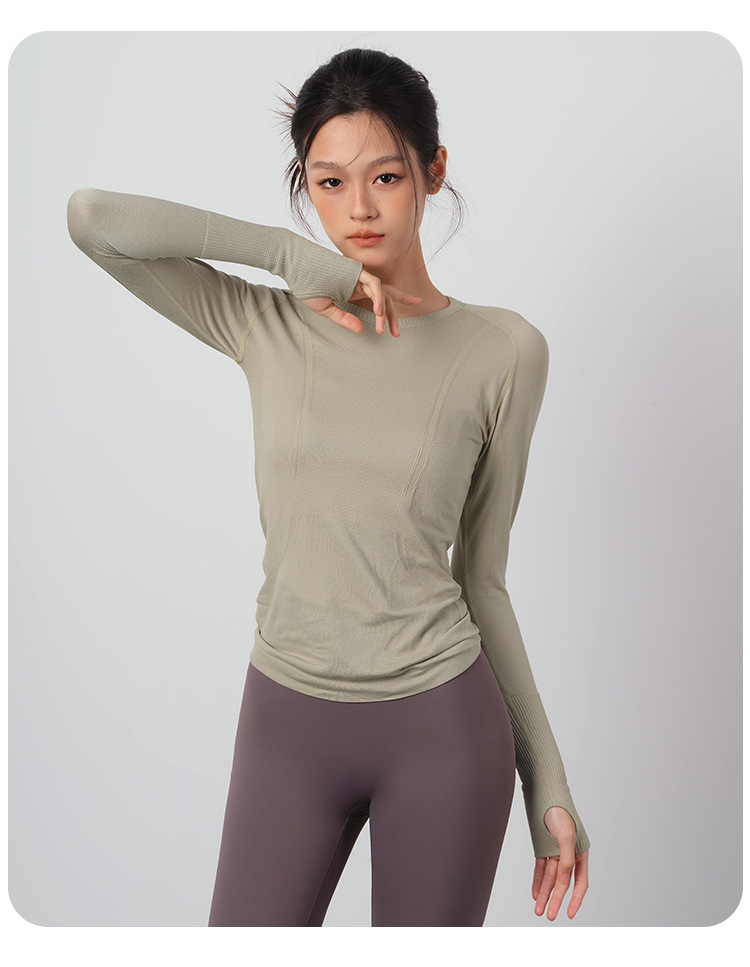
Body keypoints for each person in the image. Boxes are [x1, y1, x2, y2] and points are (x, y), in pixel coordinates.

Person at [67, 46, 591, 927]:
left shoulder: (503, 351)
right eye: (329, 182)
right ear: (304, 185)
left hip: (442, 727)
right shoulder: (262, 322)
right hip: (285, 721)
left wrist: (548, 779)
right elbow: (91, 219)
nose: (358, 209)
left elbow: (483, 579)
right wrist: (288, 257)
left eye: (385, 176)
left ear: (434, 171)